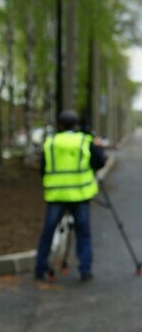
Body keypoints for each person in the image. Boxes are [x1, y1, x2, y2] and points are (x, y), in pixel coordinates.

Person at [35, 110, 107, 282]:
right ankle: (85, 270)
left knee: (48, 232)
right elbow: (99, 162)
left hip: (56, 195)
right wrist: (98, 146)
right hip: (80, 195)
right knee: (83, 234)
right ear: (76, 125)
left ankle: (40, 268)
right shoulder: (84, 140)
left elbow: (42, 169)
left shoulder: (50, 142)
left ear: (59, 125)